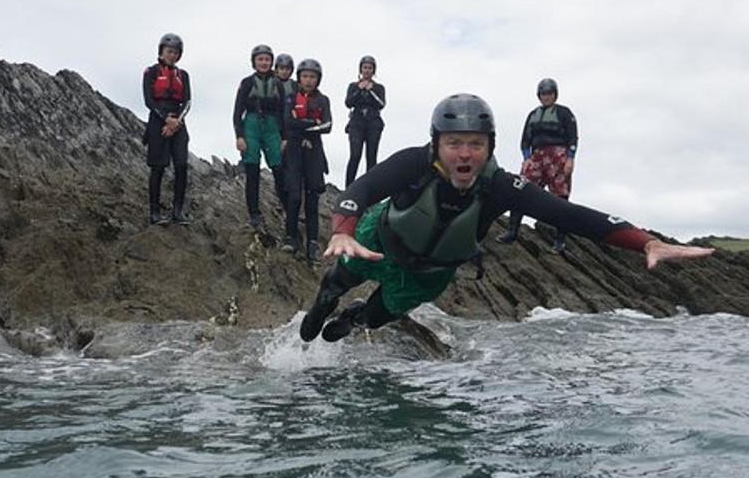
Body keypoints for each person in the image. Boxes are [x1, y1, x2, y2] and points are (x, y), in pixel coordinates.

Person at [299, 94, 714, 343]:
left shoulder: (500, 187)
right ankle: (324, 303)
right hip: (378, 243)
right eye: (455, 143)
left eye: (475, 144)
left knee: (373, 317)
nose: (465, 154)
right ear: (437, 144)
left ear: (489, 146)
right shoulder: (413, 163)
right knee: (337, 282)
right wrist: (344, 231)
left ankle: (354, 318)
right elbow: (363, 189)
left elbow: (571, 215)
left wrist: (646, 242)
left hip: (429, 274)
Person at [498, 77, 577, 252]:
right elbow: (525, 139)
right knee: (520, 189)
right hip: (537, 156)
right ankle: (512, 232)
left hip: (558, 156)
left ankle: (559, 240)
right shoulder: (533, 115)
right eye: (543, 93)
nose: (546, 96)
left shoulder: (564, 113)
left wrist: (570, 158)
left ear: (555, 95)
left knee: (560, 197)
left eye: (549, 93)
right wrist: (526, 158)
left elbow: (573, 136)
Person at [281, 59, 333, 261]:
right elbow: (288, 122)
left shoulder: (324, 100)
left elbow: (328, 126)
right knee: (294, 196)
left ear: (318, 79)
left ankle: (312, 243)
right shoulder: (290, 97)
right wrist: (313, 123)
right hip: (293, 150)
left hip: (314, 151)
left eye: (312, 77)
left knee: (312, 198)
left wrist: (301, 123)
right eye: (305, 76)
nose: (308, 80)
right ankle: (290, 237)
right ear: (299, 77)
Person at [233, 44, 286, 230]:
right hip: (251, 126)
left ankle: (286, 207)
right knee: (252, 170)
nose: (264, 62)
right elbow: (237, 111)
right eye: (260, 59)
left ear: (272, 62)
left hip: (272, 127)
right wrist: (239, 136)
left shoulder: (278, 84)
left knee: (279, 169)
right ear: (254, 62)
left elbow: (284, 112)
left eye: (267, 59)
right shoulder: (247, 83)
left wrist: (284, 137)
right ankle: (254, 213)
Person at [141, 32, 192, 225]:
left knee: (181, 165)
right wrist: (165, 120)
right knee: (158, 167)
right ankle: (154, 212)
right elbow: (148, 100)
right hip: (157, 119)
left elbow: (187, 102)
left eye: (176, 52)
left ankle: (177, 211)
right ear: (161, 52)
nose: (172, 55)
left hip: (178, 120)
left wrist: (176, 122)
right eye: (169, 51)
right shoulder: (150, 72)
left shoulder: (183, 75)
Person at [344, 54, 386, 186]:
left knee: (371, 156)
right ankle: (349, 187)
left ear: (374, 71)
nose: (367, 70)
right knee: (355, 155)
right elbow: (348, 103)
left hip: (373, 123)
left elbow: (381, 104)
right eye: (365, 67)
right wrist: (359, 90)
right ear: (360, 69)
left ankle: (371, 189)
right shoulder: (353, 86)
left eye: (370, 68)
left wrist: (371, 91)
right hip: (357, 123)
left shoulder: (379, 88)